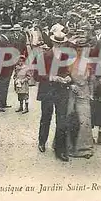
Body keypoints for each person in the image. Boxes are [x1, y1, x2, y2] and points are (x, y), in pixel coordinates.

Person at [36, 31, 71, 162]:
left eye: (62, 43)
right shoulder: (44, 56)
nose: (60, 46)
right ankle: (42, 142)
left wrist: (68, 77)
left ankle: (60, 150)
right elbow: (37, 75)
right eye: (58, 43)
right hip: (48, 91)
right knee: (46, 117)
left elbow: (69, 71)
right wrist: (52, 77)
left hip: (62, 91)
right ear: (53, 43)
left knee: (62, 120)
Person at [66, 37, 95, 159]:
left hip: (85, 92)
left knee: (85, 121)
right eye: (78, 49)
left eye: (82, 49)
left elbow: (92, 79)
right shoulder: (69, 61)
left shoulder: (88, 62)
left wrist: (92, 93)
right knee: (70, 118)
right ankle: (68, 147)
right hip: (72, 92)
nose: (80, 51)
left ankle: (84, 148)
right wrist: (71, 85)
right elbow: (65, 76)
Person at [0, 24, 15, 112]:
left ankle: (3, 103)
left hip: (7, 67)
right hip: (2, 68)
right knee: (1, 86)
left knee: (5, 85)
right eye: (11, 32)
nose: (12, 33)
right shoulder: (1, 41)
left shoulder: (5, 40)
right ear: (7, 32)